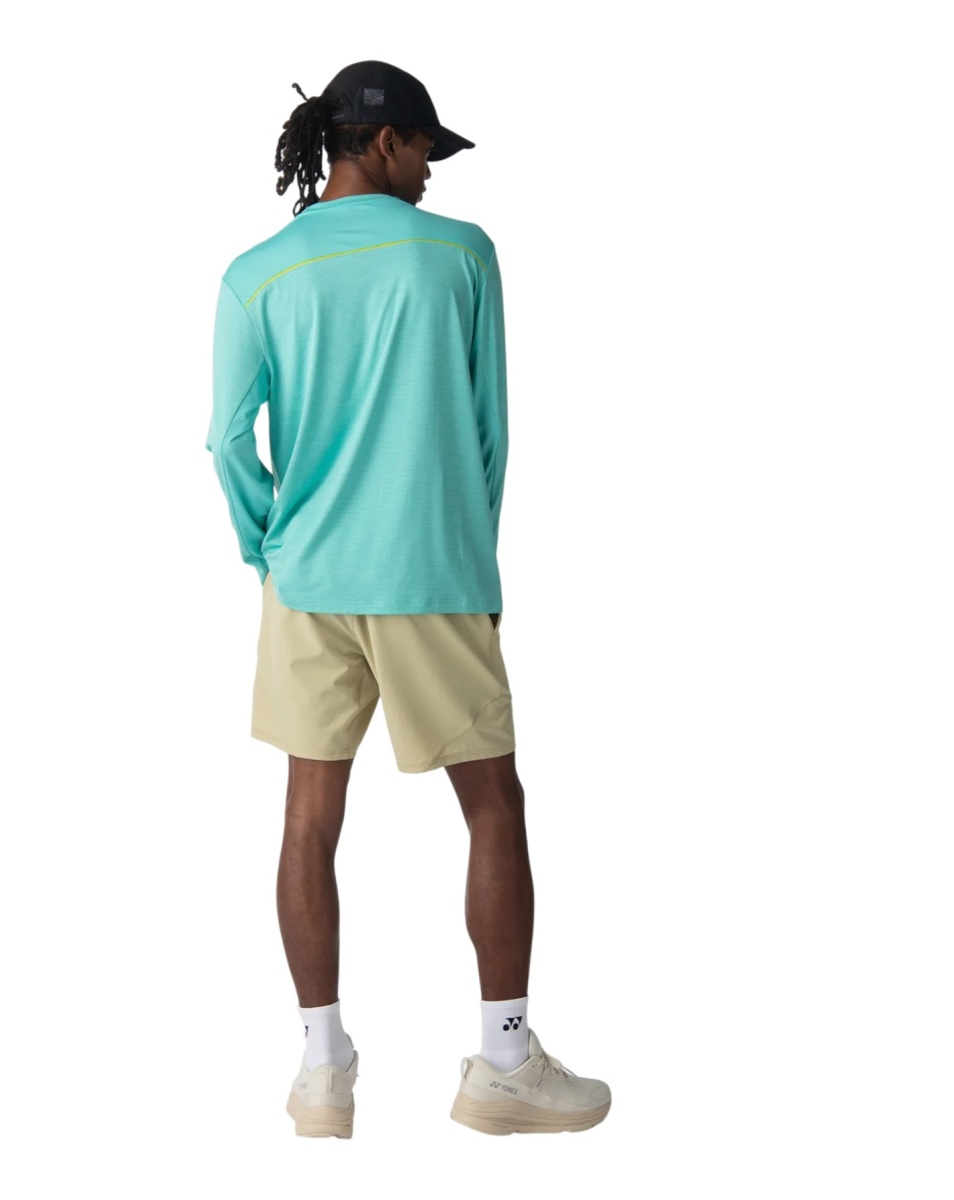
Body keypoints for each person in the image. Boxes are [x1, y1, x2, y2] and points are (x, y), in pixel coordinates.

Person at [206, 60, 610, 1138]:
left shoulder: (257, 275)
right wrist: (474, 564)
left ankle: (322, 1073)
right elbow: (488, 432)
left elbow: (225, 439)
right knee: (493, 804)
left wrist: (269, 551)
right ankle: (504, 1066)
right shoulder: (461, 254)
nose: (433, 168)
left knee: (308, 817)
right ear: (384, 142)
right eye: (427, 146)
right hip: (431, 573)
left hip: (308, 583)